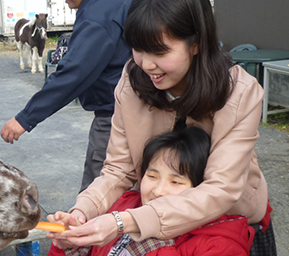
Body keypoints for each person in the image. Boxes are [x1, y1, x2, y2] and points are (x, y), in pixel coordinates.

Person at [47, 0, 276, 255]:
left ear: (196, 42)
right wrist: (82, 211)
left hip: (226, 224)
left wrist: (123, 222)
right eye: (137, 48)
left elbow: (220, 189)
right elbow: (118, 169)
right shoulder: (132, 82)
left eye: (159, 52)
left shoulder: (238, 92)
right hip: (155, 218)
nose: (146, 64)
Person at [50, 126, 255, 256]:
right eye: (152, 176)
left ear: (202, 188)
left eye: (176, 182)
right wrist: (66, 246)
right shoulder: (123, 206)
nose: (158, 191)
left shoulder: (220, 246)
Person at [0, 0, 133, 192]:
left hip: (116, 117)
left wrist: (25, 118)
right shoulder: (114, 5)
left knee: (97, 196)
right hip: (139, 109)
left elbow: (74, 72)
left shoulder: (97, 15)